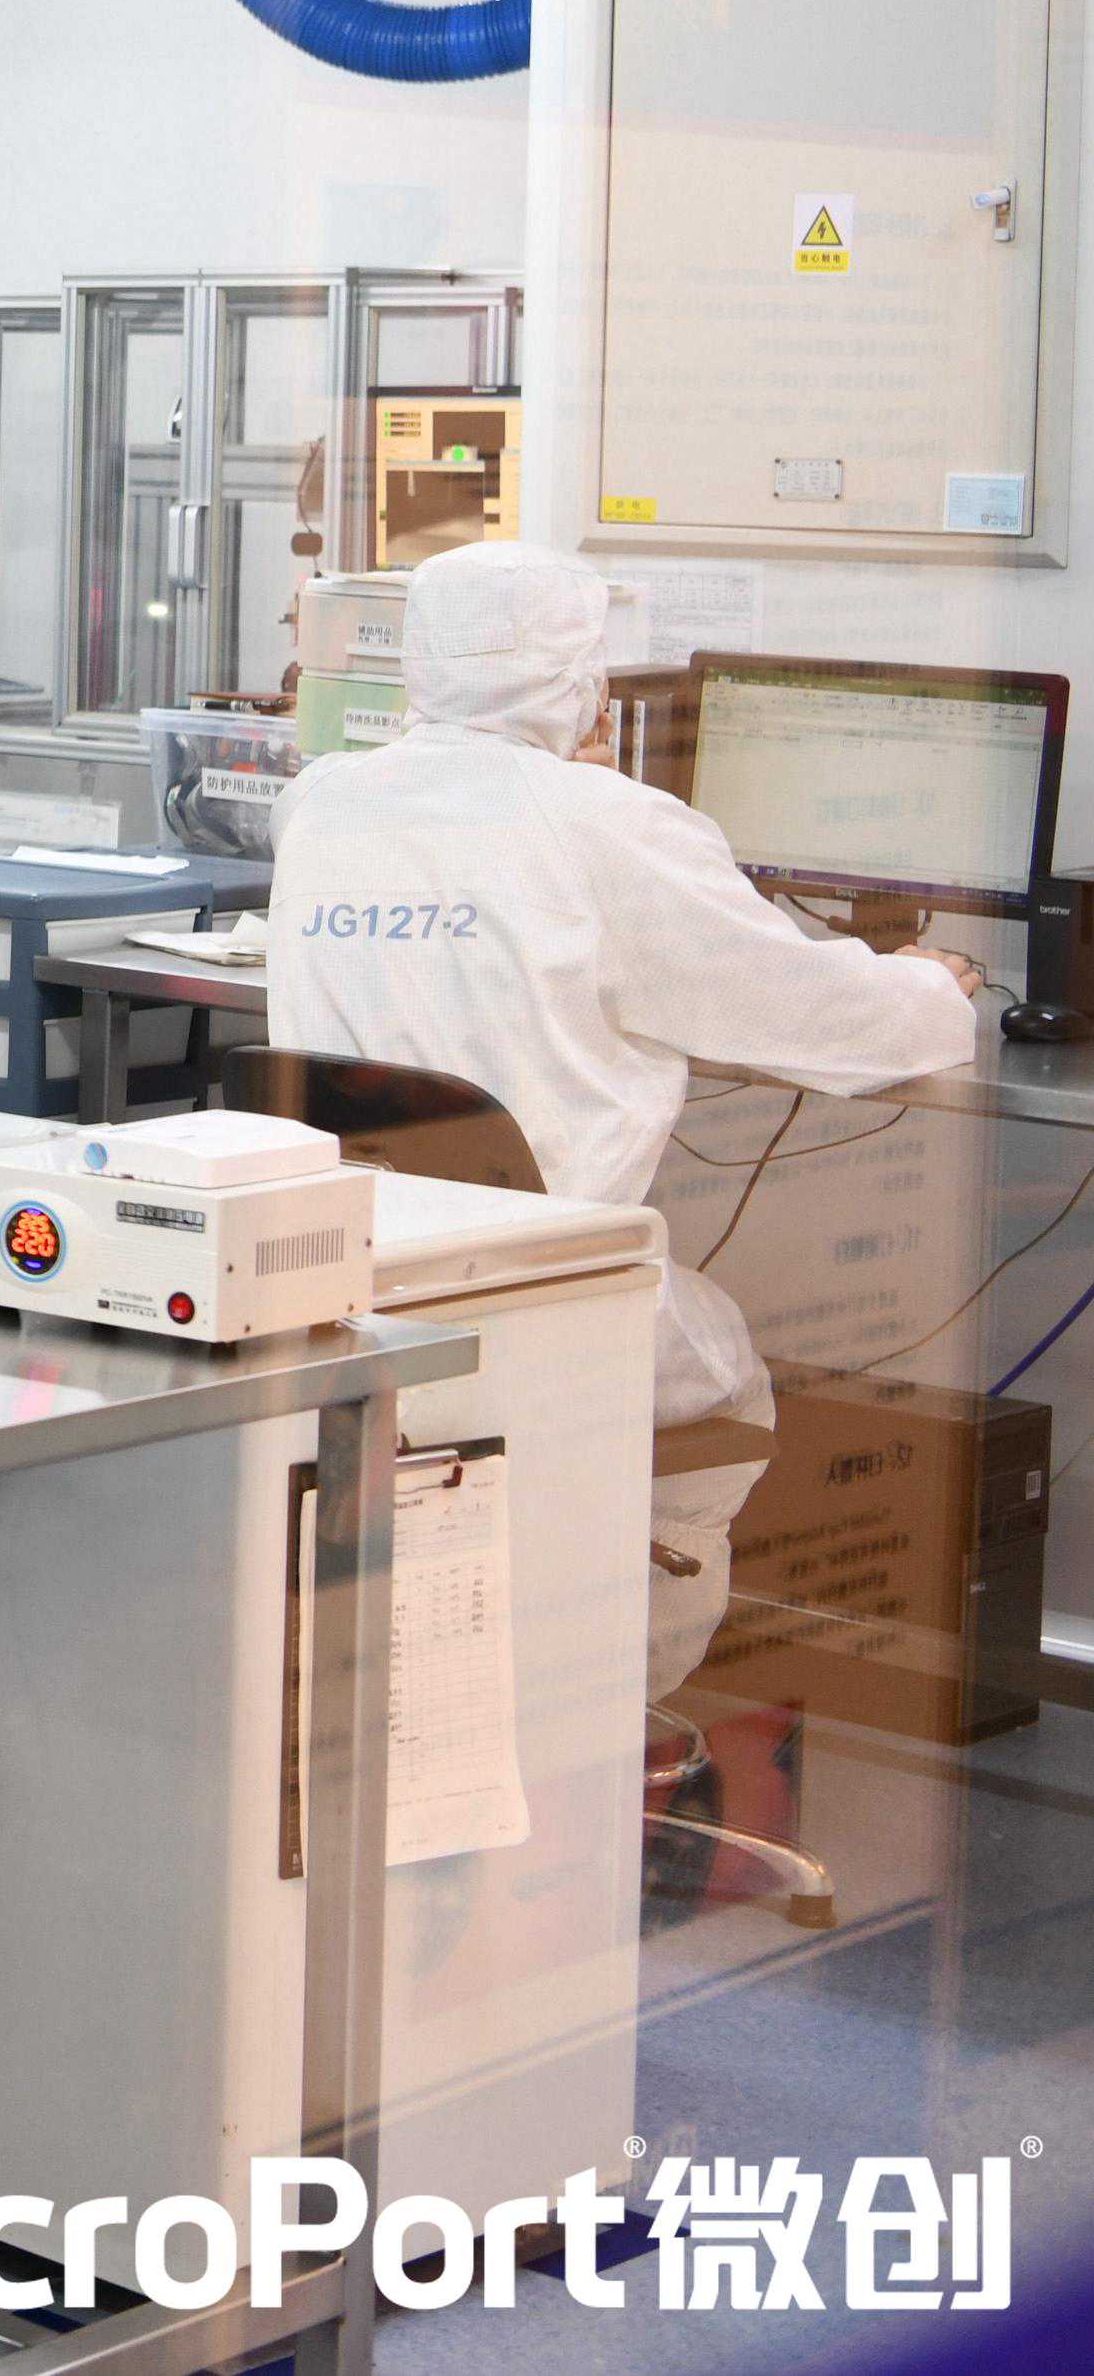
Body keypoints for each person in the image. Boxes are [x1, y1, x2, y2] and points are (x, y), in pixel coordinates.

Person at [266, 539, 980, 1682]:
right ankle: (601, 1709)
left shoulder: (320, 800)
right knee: (726, 1381)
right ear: (584, 683)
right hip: (534, 1294)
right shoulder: (607, 822)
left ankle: (481, 1650)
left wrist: (568, 776)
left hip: (341, 1282)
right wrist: (932, 987)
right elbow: (816, 1015)